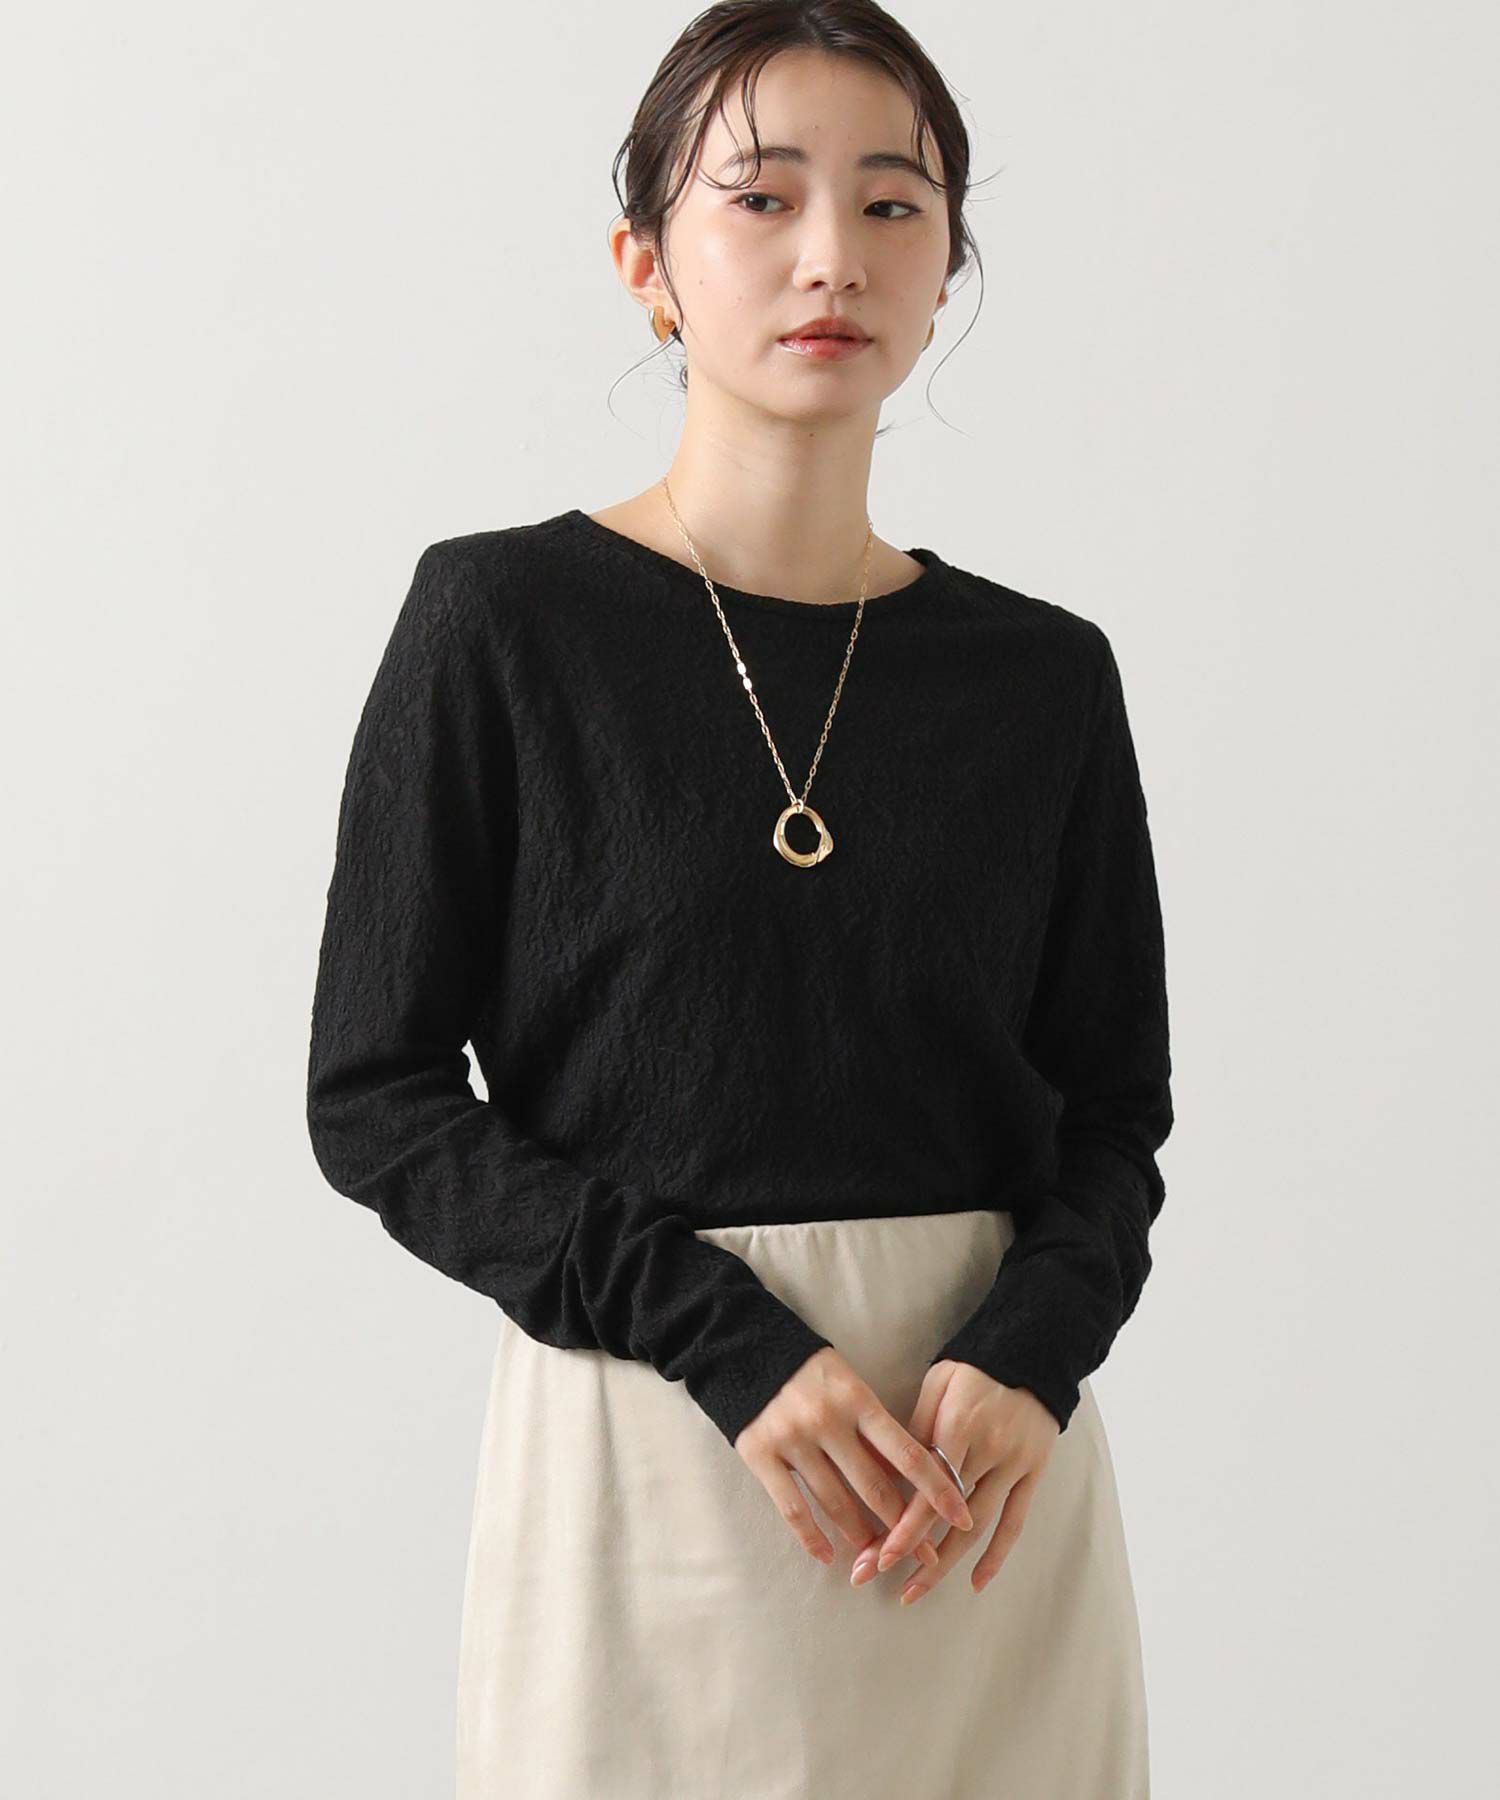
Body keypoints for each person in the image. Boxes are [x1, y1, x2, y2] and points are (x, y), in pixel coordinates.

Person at [306, 5, 1173, 1795]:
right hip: (651, 1450)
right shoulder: (500, 626)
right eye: (762, 199)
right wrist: (725, 1340)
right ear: (646, 264)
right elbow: (374, 1094)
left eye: (894, 204)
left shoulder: (1042, 678)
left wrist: (1033, 1353)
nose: (832, 256)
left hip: (974, 1485)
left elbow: (1115, 1112)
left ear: (947, 268)